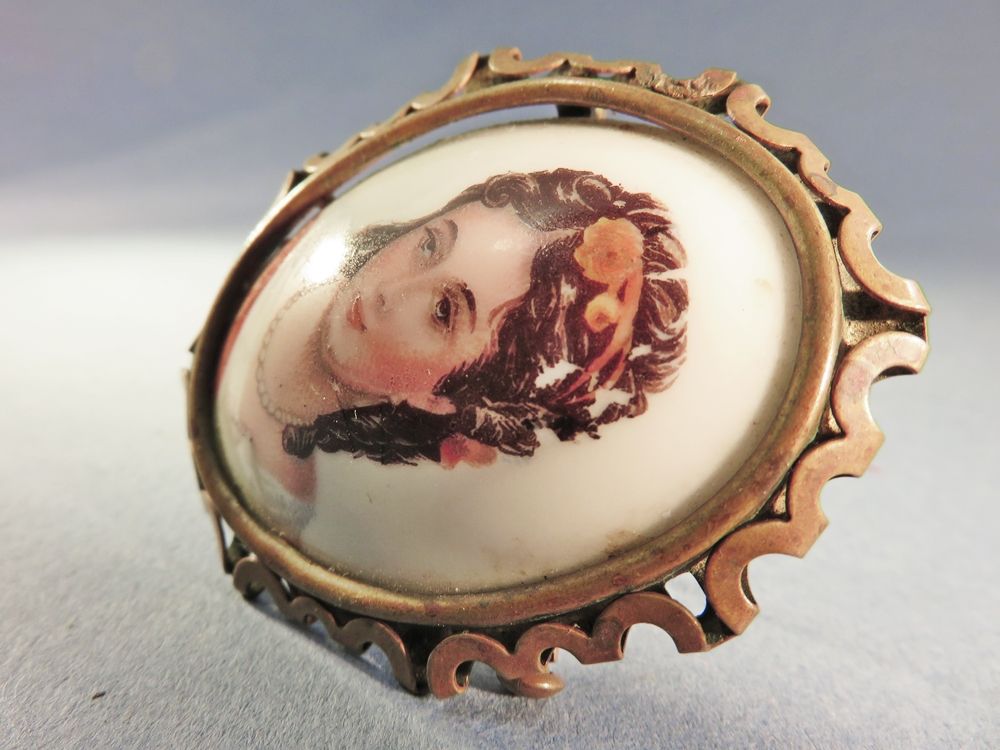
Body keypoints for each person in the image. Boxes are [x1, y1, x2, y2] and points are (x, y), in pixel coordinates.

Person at [232, 168, 688, 501]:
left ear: (443, 400)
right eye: (430, 244)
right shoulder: (265, 292)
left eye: (442, 311)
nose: (390, 291)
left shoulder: (306, 497)